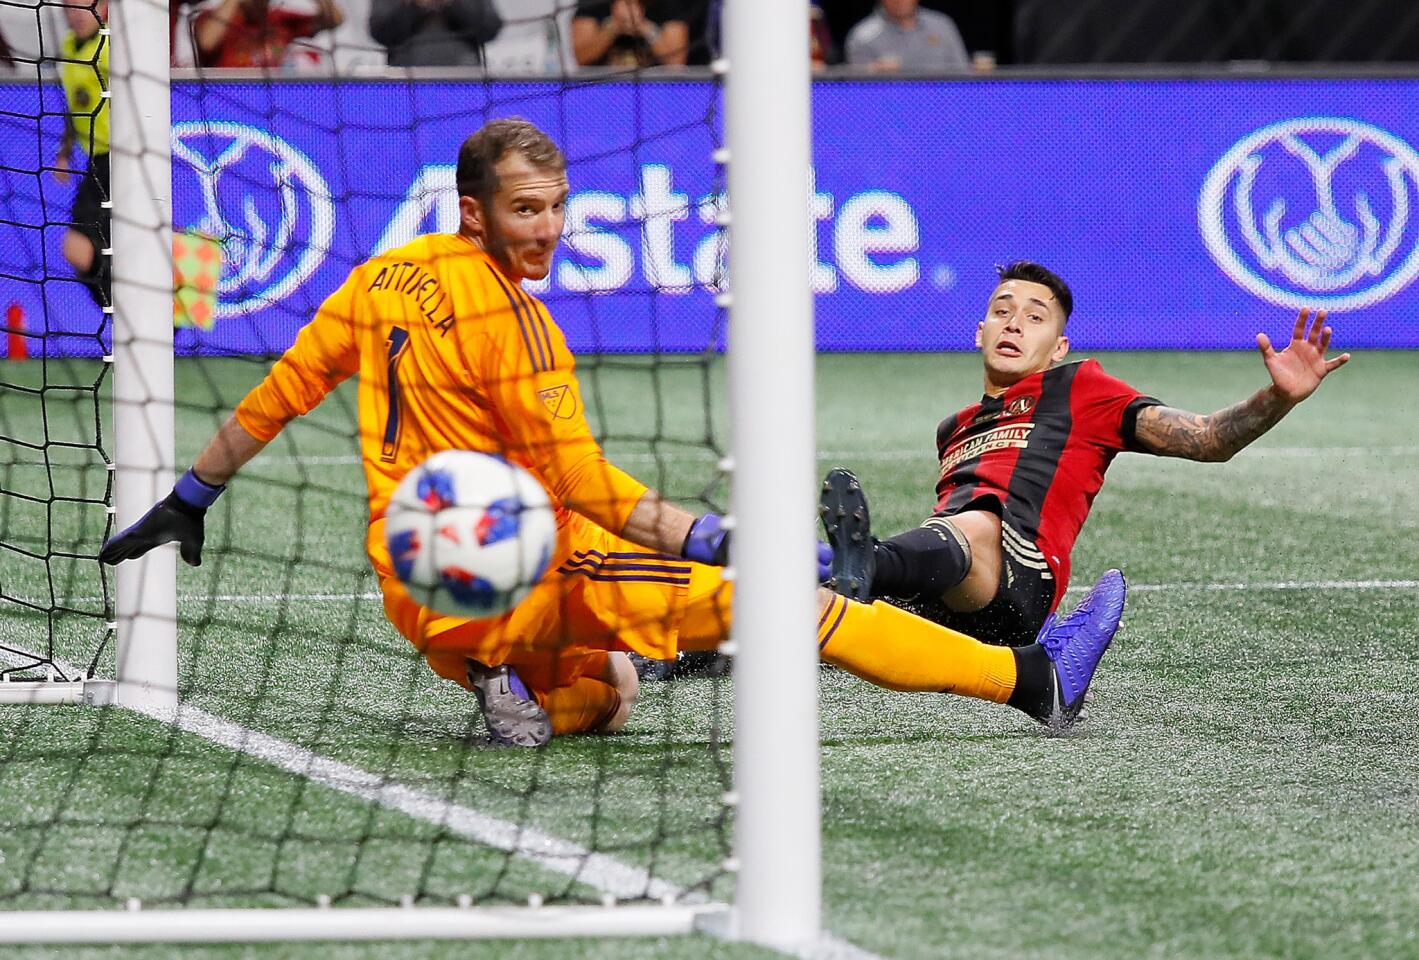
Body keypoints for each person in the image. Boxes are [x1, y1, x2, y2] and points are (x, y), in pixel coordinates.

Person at [100, 121, 1124, 747]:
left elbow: (276, 394)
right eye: (525, 210)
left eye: (556, 208)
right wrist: (717, 537)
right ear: (473, 212)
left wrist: (189, 500)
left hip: (417, 594)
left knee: (610, 696)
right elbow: (586, 481)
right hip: (538, 566)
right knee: (793, 606)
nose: (546, 229)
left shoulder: (378, 278)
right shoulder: (521, 324)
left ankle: (506, 679)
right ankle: (1033, 681)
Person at [821, 261, 1350, 651]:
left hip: (1020, 584)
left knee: (979, 521)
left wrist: (1278, 397)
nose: (1012, 324)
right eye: (1001, 312)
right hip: (950, 587)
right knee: (816, 588)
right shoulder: (953, 428)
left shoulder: (1082, 388)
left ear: (1058, 347)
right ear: (979, 332)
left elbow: (1208, 438)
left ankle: (869, 564)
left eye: (1034, 317)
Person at [53, 0, 110, 311]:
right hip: (96, 162)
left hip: (120, 160)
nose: (76, 13)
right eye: (69, 6)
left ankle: (140, 310)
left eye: (84, 5)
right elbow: (73, 106)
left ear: (104, 8)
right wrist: (64, 153)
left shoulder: (114, 46)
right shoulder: (67, 46)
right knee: (82, 249)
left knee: (77, 247)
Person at [193, 0, 344, 69]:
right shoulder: (216, 18)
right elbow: (206, 41)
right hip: (225, 99)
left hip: (270, 102)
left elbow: (335, 19)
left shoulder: (279, 20)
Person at [844, 0, 968, 73]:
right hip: (891, 108)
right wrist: (873, 73)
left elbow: (964, 71)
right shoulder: (862, 37)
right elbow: (859, 91)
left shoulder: (942, 25)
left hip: (944, 105)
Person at [369, 0, 502, 67]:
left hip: (464, 83)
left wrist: (453, 4)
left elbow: (489, 27)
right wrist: (415, 6)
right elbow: (380, 31)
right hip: (407, 84)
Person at [571, 0, 689, 68]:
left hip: (655, 92)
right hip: (601, 90)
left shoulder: (668, 4)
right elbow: (581, 57)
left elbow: (676, 63)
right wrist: (613, 28)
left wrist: (644, 28)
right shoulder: (593, 4)